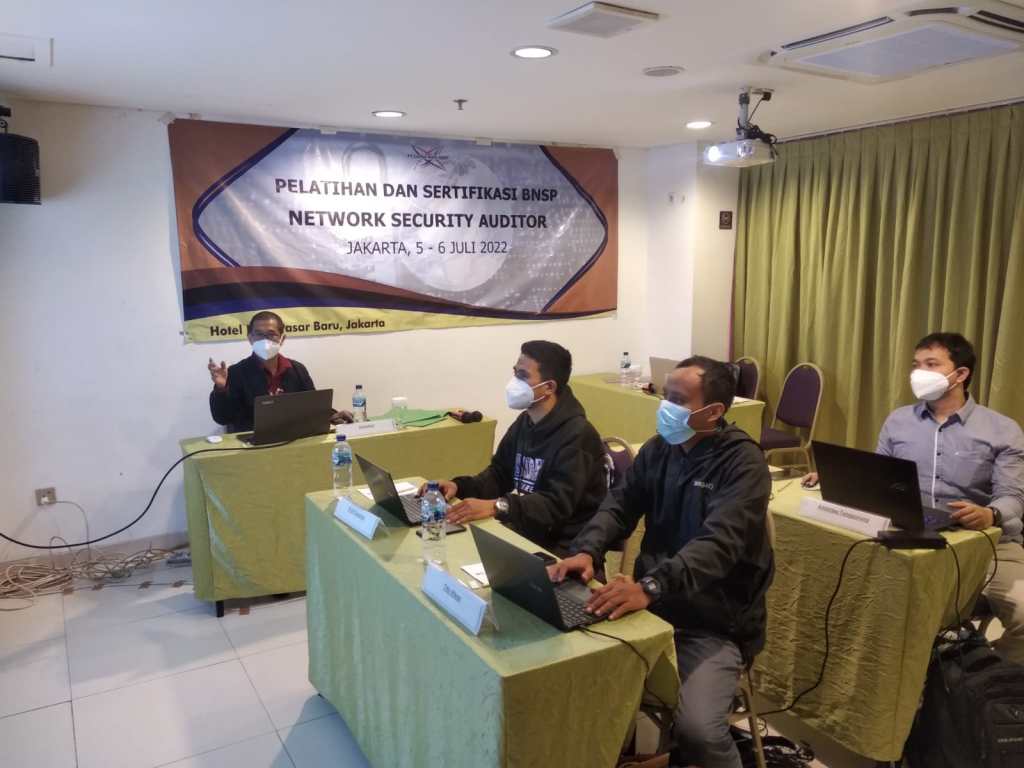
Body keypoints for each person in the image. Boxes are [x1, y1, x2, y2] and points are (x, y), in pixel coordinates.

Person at [552, 356, 773, 768]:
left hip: (713, 621)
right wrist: (586, 550)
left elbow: (717, 544)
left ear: (714, 412)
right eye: (664, 395)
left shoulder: (743, 464)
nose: (665, 407)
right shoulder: (660, 450)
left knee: (700, 731)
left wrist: (651, 586)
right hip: (652, 606)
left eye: (678, 399)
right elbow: (619, 505)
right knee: (574, 680)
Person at [804, 332, 1024, 662]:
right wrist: (841, 477)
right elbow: (879, 475)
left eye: (931, 364)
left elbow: (1013, 497)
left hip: (987, 545)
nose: (919, 372)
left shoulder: (1002, 429)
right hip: (911, 535)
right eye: (916, 364)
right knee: (854, 598)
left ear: (961, 374)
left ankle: (984, 675)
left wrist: (990, 513)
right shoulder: (899, 421)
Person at [423, 340, 606, 556]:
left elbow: (556, 505)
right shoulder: (525, 422)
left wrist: (497, 506)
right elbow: (499, 474)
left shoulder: (578, 435)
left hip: (566, 551)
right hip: (528, 536)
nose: (514, 382)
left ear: (549, 387)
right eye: (515, 373)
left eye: (523, 375)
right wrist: (459, 486)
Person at [207, 310, 352, 432]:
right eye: (259, 334)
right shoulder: (236, 372)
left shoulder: (297, 369)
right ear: (250, 339)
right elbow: (223, 418)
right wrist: (221, 389)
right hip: (253, 444)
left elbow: (312, 407)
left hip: (293, 438)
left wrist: (333, 415)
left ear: (282, 339)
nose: (265, 340)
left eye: (271, 334)